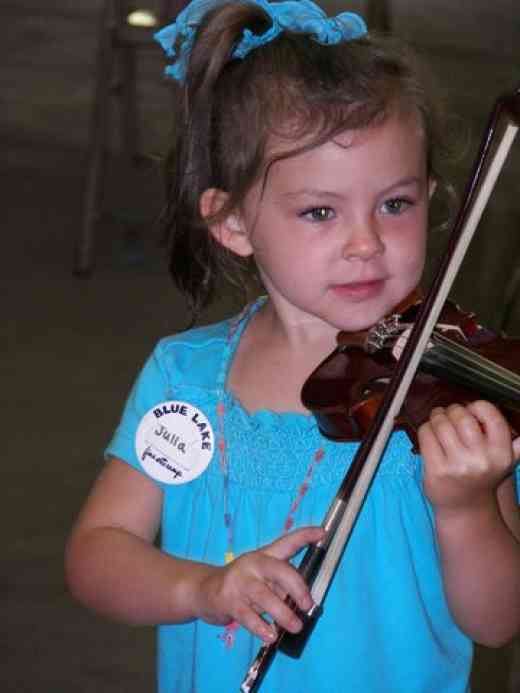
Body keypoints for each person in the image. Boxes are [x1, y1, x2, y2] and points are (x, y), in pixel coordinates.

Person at [65, 1, 520, 691]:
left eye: (396, 204)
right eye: (320, 211)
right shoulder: (186, 382)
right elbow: (97, 556)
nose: (367, 241)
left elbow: (496, 621)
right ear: (233, 221)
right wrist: (203, 588)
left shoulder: (451, 405)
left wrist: (466, 506)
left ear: (430, 196)